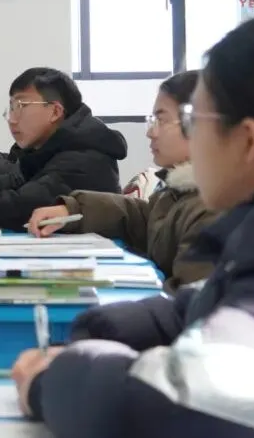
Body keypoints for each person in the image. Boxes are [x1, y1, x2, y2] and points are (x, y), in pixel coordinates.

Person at [11, 13, 254, 438]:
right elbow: (204, 302)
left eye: (195, 122)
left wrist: (48, 381)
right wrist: (102, 327)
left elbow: (167, 405)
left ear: (249, 141)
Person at [25, 71, 216, 293]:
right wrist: (73, 209)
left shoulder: (210, 209)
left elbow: (189, 303)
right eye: (152, 120)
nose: (151, 132)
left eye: (161, 120)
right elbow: (144, 218)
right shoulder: (177, 193)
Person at [0, 67, 127, 229]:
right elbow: (15, 182)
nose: (11, 119)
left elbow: (21, 206)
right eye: (11, 108)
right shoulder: (49, 149)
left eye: (21, 106)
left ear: (55, 111)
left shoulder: (84, 158)